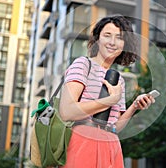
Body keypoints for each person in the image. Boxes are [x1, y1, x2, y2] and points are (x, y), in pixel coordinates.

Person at [59, 15, 155, 168]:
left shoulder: (119, 80)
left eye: (119, 38)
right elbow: (67, 111)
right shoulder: (83, 65)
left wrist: (134, 106)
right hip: (83, 141)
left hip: (110, 145)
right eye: (107, 35)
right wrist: (108, 101)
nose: (112, 42)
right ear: (97, 39)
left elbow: (114, 125)